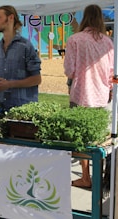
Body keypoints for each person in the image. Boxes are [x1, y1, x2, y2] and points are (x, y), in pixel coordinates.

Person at [64, 4, 114, 188]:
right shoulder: (108, 42)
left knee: (80, 138)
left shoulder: (75, 39)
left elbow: (69, 70)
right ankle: (99, 177)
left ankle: (86, 177)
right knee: (98, 138)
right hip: (101, 95)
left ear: (84, 17)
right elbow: (111, 73)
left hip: (80, 94)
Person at [0, 5, 41, 110]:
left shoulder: (26, 46)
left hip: (23, 109)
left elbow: (37, 79)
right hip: (1, 106)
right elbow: (1, 78)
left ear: (10, 18)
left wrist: (10, 84)